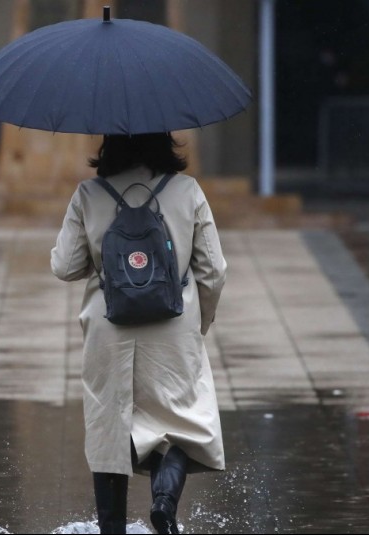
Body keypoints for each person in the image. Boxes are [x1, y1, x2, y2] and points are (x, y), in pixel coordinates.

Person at [51, 133, 227, 535]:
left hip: (109, 328)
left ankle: (110, 528)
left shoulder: (89, 194)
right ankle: (164, 499)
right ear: (164, 143)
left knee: (109, 427)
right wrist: (200, 324)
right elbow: (213, 270)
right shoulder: (187, 191)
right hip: (174, 325)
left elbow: (65, 266)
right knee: (180, 421)